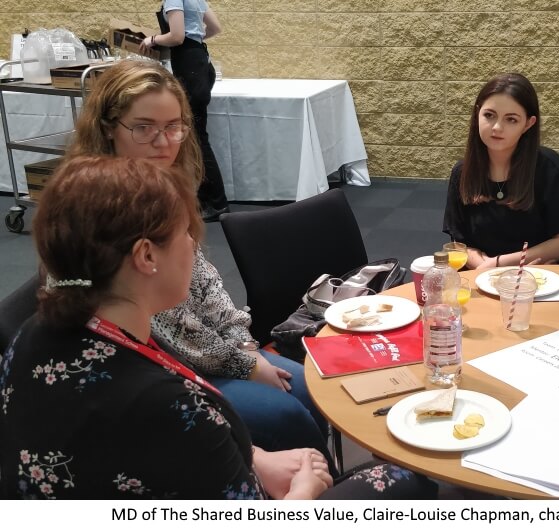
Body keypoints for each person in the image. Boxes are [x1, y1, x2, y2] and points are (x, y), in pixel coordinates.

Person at [0, 156, 435, 499]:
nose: (194, 244)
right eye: (184, 233)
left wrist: (251, 457)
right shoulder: (173, 408)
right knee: (401, 480)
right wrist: (304, 492)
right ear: (146, 257)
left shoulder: (35, 334)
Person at [66, 60, 334, 466]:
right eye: (144, 127)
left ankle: (314, 482)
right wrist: (244, 362)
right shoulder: (95, 208)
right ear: (108, 128)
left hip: (205, 351)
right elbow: (161, 325)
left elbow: (204, 281)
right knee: (287, 413)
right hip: (148, 369)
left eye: (173, 126)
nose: (163, 141)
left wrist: (244, 343)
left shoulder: (162, 187)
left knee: (309, 385)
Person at [443, 72, 559, 269]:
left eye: (511, 119)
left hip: (542, 274)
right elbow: (459, 244)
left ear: (528, 124)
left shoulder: (548, 167)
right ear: (477, 114)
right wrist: (483, 267)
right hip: (483, 276)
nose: (497, 127)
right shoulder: (462, 173)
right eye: (489, 115)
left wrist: (499, 264)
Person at [140, 0, 228, 221]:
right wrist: (195, 41)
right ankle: (205, 198)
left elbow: (176, 36)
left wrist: (152, 40)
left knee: (198, 137)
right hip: (201, 63)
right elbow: (215, 28)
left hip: (189, 67)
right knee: (197, 136)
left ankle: (217, 202)